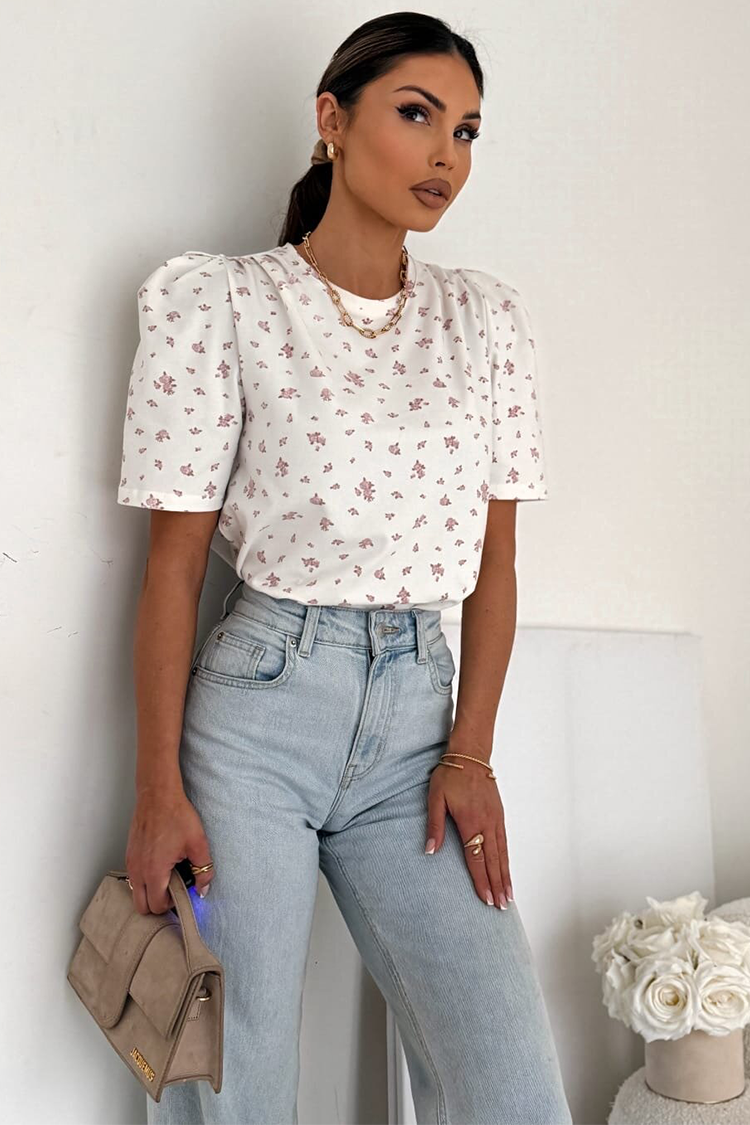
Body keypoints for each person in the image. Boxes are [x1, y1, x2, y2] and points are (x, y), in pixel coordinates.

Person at [118, 11, 572, 1125]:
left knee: (513, 1088)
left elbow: (497, 561)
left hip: (419, 732)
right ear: (333, 118)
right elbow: (173, 569)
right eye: (417, 115)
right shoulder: (222, 303)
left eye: (466, 130)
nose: (445, 155)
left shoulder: (487, 322)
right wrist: (158, 789)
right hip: (257, 722)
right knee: (233, 1086)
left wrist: (472, 751)